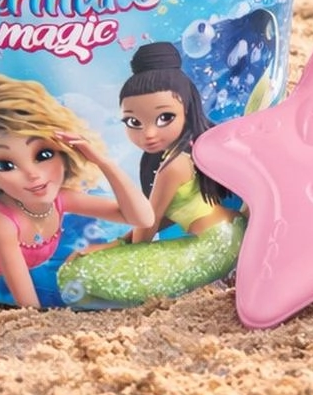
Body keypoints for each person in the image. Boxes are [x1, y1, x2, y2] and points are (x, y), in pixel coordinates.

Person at [0, 74, 154, 309]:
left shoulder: (60, 199)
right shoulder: (1, 221)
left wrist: (103, 162)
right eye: (5, 165)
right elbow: (28, 306)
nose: (32, 174)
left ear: (65, 154)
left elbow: (143, 218)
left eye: (43, 155)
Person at [58, 41, 244, 305]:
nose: (149, 133)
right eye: (133, 122)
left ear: (187, 109)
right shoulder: (187, 152)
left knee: (76, 272)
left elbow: (148, 224)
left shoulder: (174, 165)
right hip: (232, 232)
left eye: (165, 117)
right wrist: (119, 243)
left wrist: (117, 248)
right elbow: (163, 217)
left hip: (212, 248)